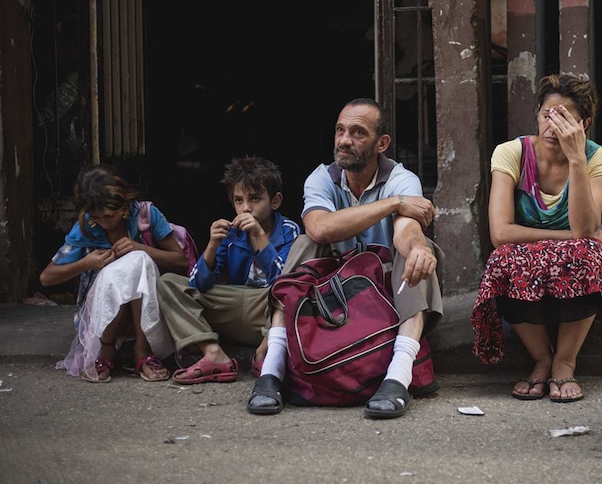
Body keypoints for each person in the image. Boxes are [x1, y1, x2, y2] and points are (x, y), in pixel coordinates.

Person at [246, 97, 444, 418]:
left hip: (383, 293)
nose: (344, 141)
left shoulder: (402, 179)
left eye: (357, 133)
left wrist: (418, 246)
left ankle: (398, 378)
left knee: (420, 253)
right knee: (306, 243)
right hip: (332, 294)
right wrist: (393, 203)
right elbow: (320, 229)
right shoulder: (322, 177)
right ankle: (272, 370)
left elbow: (405, 231)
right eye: (340, 131)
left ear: (382, 144)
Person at [470, 73, 602, 403]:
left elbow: (585, 232)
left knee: (589, 254)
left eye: (565, 118)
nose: (553, 127)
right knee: (503, 260)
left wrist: (577, 159)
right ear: (537, 114)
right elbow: (501, 233)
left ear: (584, 122)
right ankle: (541, 358)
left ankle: (565, 361)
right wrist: (566, 235)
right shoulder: (512, 153)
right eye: (547, 116)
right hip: (528, 268)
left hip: (575, 267)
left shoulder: (598, 158)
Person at [157, 156, 301, 384]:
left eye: (255, 199)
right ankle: (213, 353)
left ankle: (267, 349)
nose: (246, 208)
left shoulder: (289, 230)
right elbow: (198, 285)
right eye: (239, 200)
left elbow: (283, 281)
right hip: (231, 303)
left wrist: (259, 236)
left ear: (275, 201)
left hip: (265, 309)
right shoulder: (231, 233)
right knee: (169, 283)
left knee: (291, 294)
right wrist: (212, 245)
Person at [41, 163, 189, 383]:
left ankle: (142, 350)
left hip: (148, 311)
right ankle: (106, 349)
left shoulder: (145, 216)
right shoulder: (87, 227)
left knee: (139, 261)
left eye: (109, 216)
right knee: (117, 272)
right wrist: (86, 263)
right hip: (106, 316)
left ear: (125, 205)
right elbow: (46, 277)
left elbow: (181, 262)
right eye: (96, 217)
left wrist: (141, 248)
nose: (103, 223)